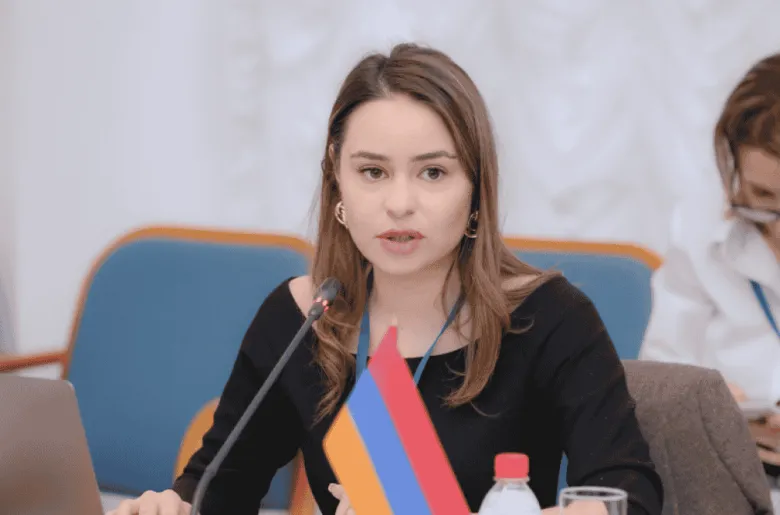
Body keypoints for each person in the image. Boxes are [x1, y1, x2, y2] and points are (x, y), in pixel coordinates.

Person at [109, 43, 663, 515]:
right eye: (372, 172)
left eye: (433, 172)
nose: (399, 203)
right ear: (338, 182)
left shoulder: (548, 318)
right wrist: (172, 506)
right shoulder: (302, 319)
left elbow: (627, 494)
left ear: (476, 191)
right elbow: (217, 489)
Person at [639, 52, 780, 498]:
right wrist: (709, 412)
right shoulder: (700, 229)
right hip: (728, 486)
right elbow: (654, 391)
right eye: (764, 198)